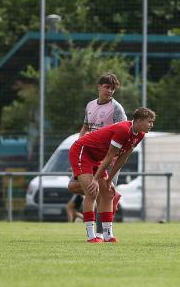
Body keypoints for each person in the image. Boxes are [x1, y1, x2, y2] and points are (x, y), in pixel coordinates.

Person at [69, 107, 156, 243]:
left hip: (97, 158)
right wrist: (96, 179)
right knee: (92, 191)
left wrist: (109, 180)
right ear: (138, 121)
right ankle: (91, 236)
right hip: (82, 151)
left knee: (109, 193)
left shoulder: (139, 135)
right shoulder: (123, 130)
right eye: (149, 122)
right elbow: (110, 156)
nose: (151, 125)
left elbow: (123, 158)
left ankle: (107, 235)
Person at [66, 73, 127, 225]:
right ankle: (112, 195)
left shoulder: (116, 108)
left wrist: (114, 156)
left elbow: (125, 132)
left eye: (113, 88)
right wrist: (80, 148)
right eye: (107, 87)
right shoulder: (90, 105)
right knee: (73, 186)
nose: (110, 91)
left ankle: (101, 233)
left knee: (103, 194)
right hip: (89, 154)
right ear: (99, 86)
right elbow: (85, 127)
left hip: (108, 156)